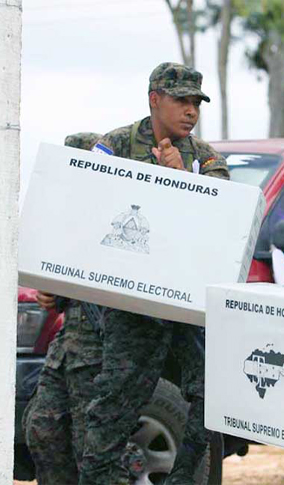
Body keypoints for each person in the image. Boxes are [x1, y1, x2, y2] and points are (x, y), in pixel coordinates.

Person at [79, 62, 229, 485]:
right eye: (181, 100)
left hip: (186, 304)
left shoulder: (205, 158)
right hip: (134, 305)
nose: (190, 111)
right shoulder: (116, 145)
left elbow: (224, 218)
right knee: (113, 408)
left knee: (209, 398)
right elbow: (88, 204)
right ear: (154, 99)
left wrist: (182, 178)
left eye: (196, 103)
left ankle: (184, 479)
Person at [24, 133, 150, 484]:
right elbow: (63, 284)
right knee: (42, 430)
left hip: (101, 354)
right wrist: (51, 295)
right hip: (66, 349)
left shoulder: (121, 224)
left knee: (95, 450)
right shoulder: (71, 222)